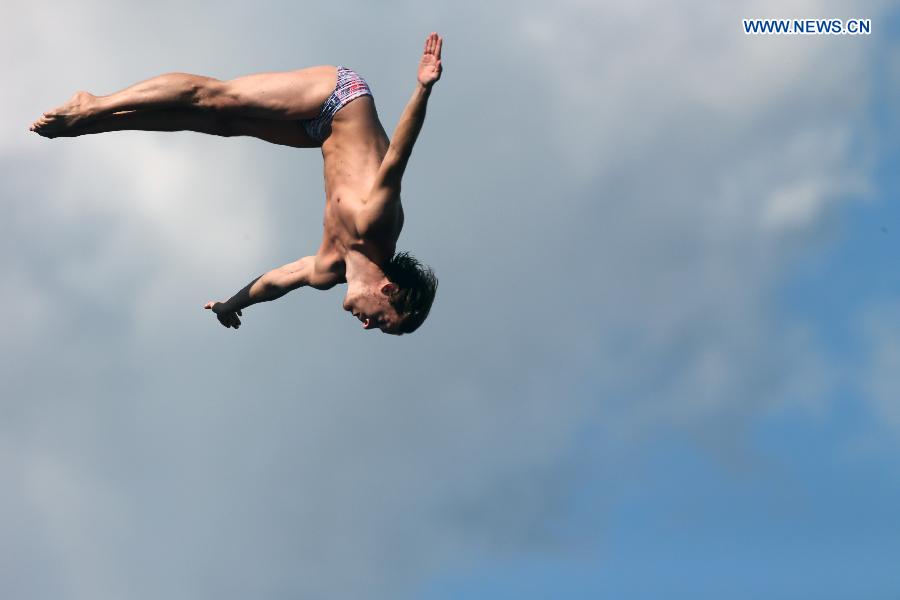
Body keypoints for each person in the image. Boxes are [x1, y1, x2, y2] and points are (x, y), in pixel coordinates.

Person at [30, 33, 443, 335]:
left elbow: (275, 282)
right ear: (388, 289)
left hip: (320, 132)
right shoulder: (378, 227)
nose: (367, 325)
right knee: (216, 99)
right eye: (381, 320)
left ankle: (91, 126)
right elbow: (397, 157)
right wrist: (422, 89)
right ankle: (96, 104)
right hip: (340, 97)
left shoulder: (328, 269)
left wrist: (231, 304)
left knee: (220, 126)